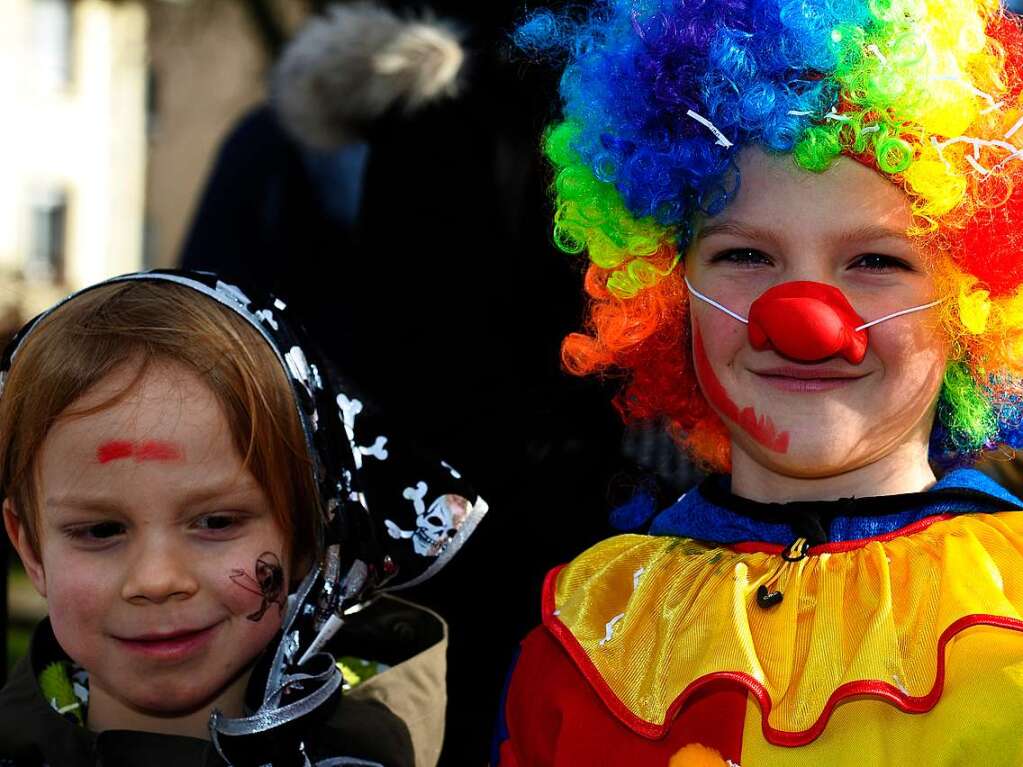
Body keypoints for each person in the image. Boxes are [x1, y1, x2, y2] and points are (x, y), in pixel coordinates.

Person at [495, 0, 1023, 764]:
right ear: (664, 290)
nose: (803, 318)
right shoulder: (591, 629)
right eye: (745, 257)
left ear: (975, 298)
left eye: (876, 262)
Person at [0, 270, 485, 766]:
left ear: (306, 532)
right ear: (31, 548)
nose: (157, 579)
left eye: (216, 522)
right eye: (101, 530)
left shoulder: (385, 749)